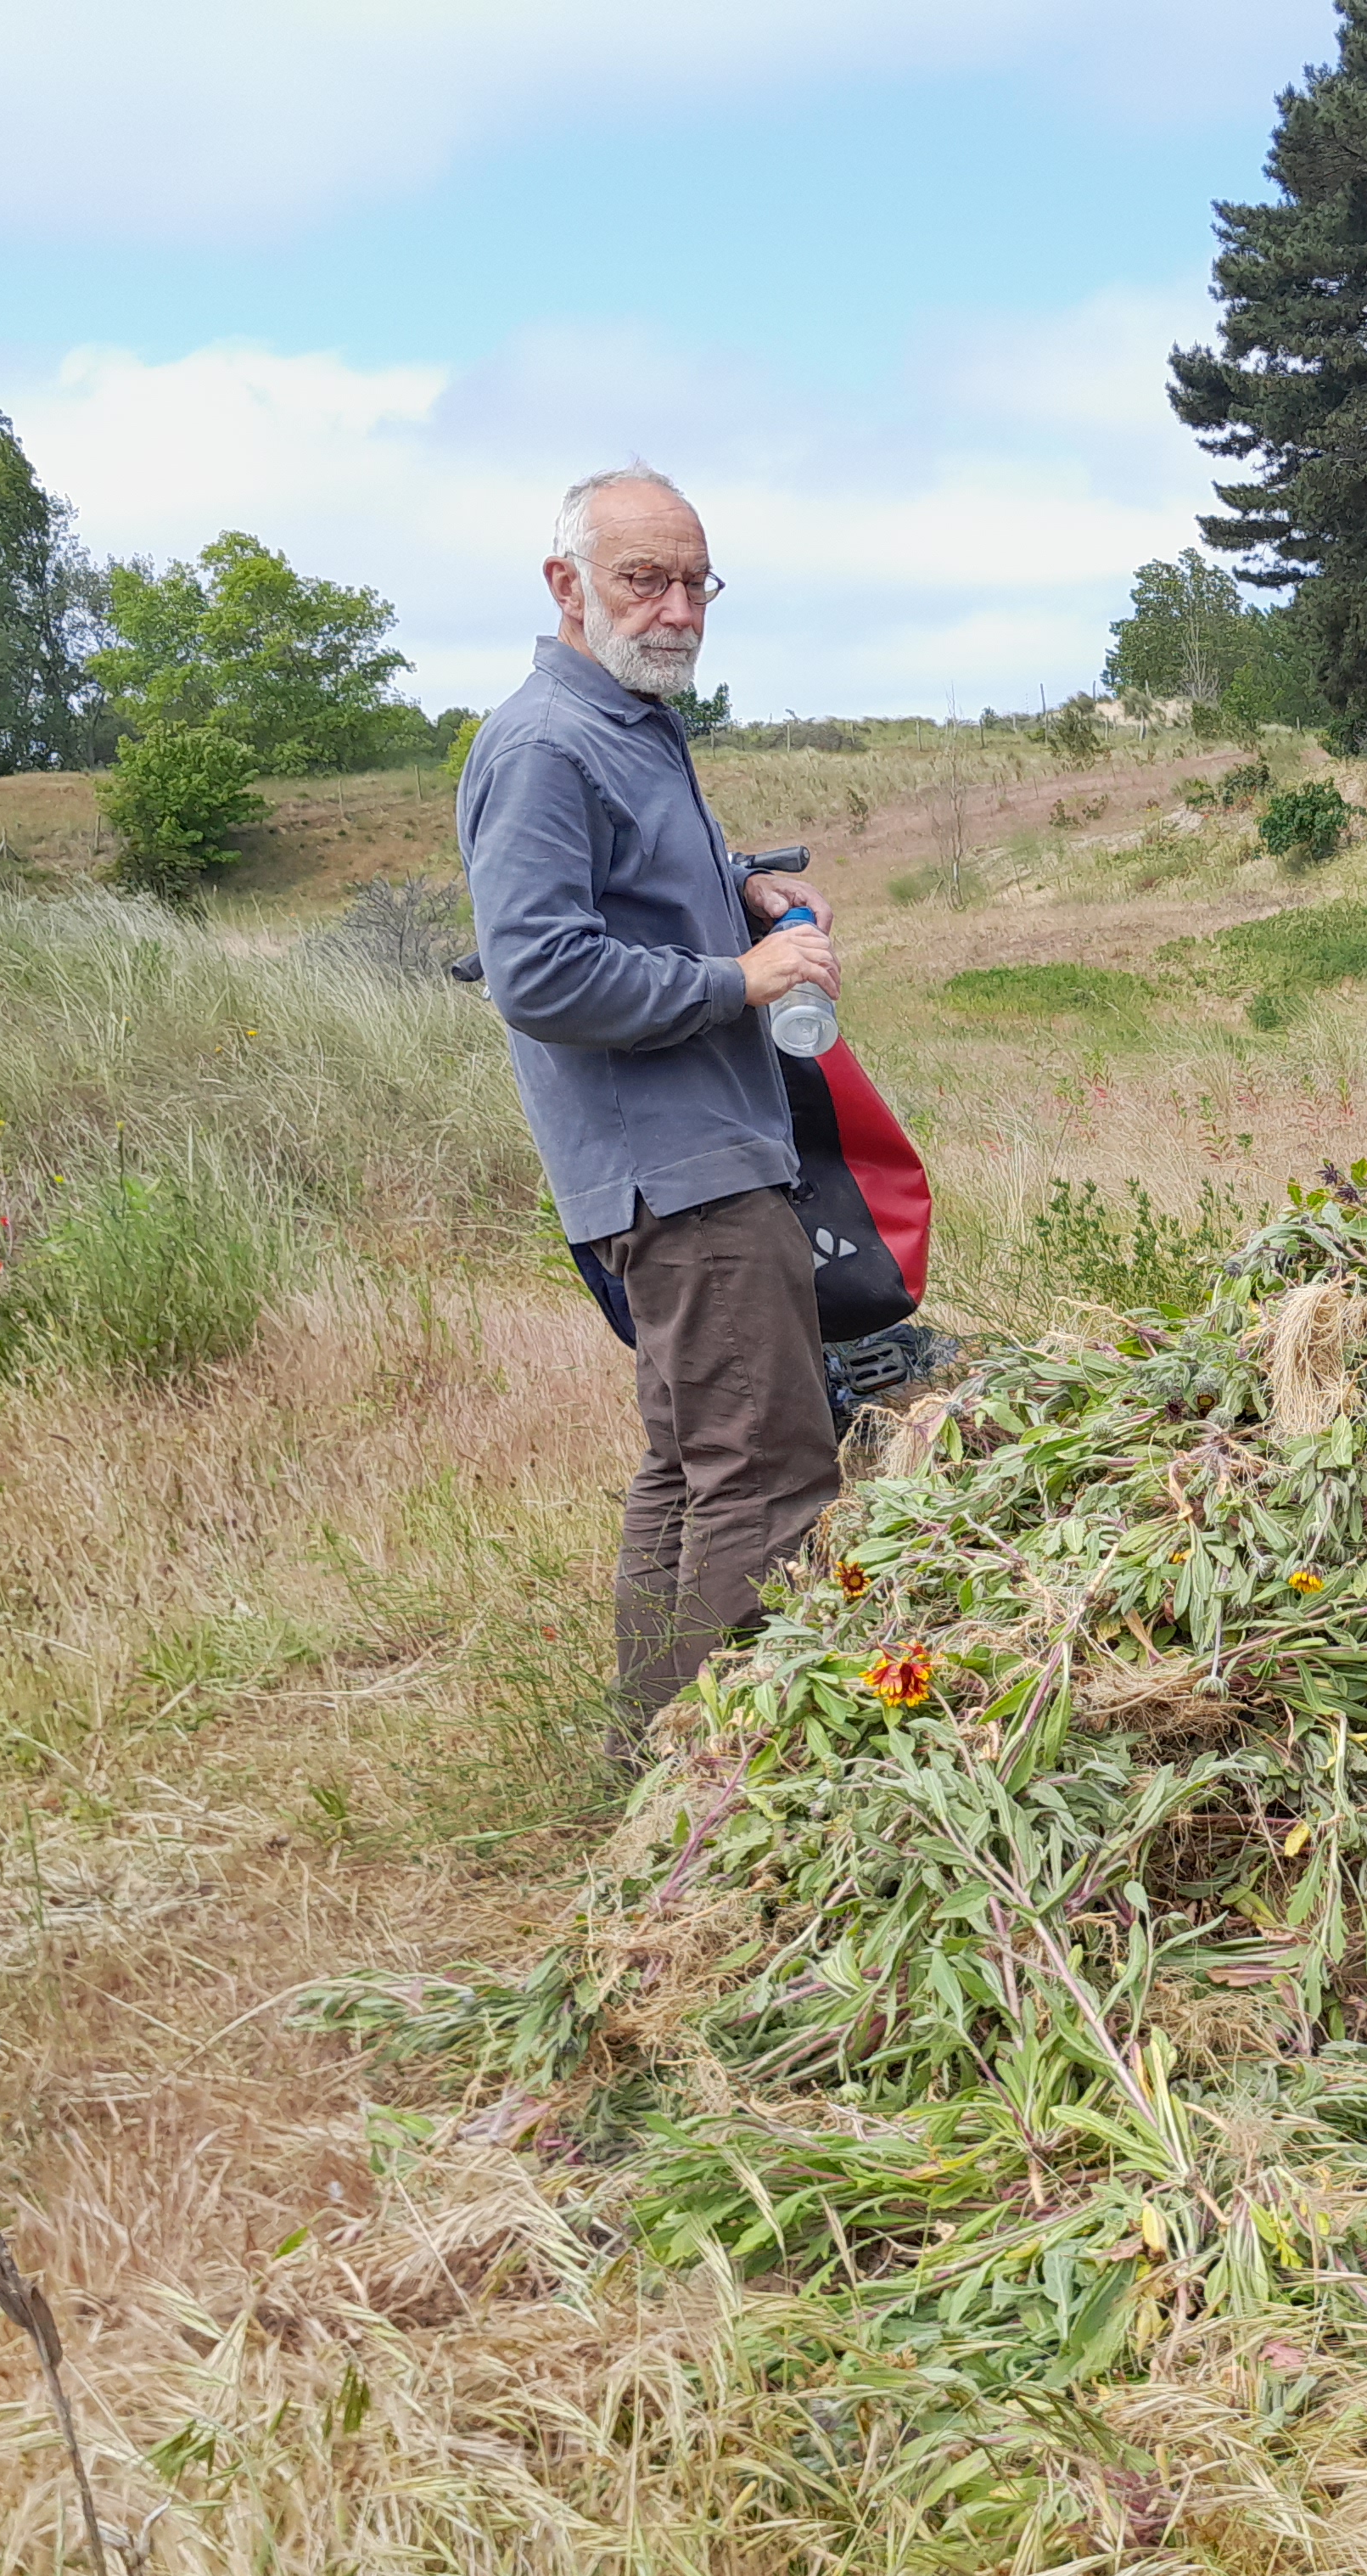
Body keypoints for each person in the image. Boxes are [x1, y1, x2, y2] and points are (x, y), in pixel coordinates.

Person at [457, 463, 843, 1743]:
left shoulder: (629, 724)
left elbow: (633, 882)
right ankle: (738, 1785)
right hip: (680, 1177)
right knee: (771, 1473)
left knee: (691, 1468)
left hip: (700, 1160)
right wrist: (742, 978)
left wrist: (743, 889)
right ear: (567, 585)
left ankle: (654, 1755)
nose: (677, 608)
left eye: (696, 581)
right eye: (643, 579)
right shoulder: (545, 743)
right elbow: (541, 970)